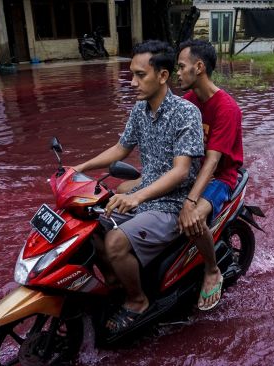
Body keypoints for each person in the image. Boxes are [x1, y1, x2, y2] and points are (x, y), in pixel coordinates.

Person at [72, 40, 204, 332]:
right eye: (131, 74)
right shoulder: (139, 109)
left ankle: (137, 301)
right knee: (90, 225)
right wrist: (79, 168)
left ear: (163, 75)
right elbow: (120, 149)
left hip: (173, 203)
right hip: (143, 196)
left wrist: (137, 195)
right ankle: (117, 281)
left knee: (115, 243)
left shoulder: (186, 113)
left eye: (139, 75)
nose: (132, 82)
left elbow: (181, 171)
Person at [176, 39, 243, 311]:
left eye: (181, 67)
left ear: (199, 67)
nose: (177, 73)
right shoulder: (188, 101)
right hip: (192, 171)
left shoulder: (227, 108)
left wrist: (191, 201)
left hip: (220, 178)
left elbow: (213, 161)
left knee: (192, 219)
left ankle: (212, 268)